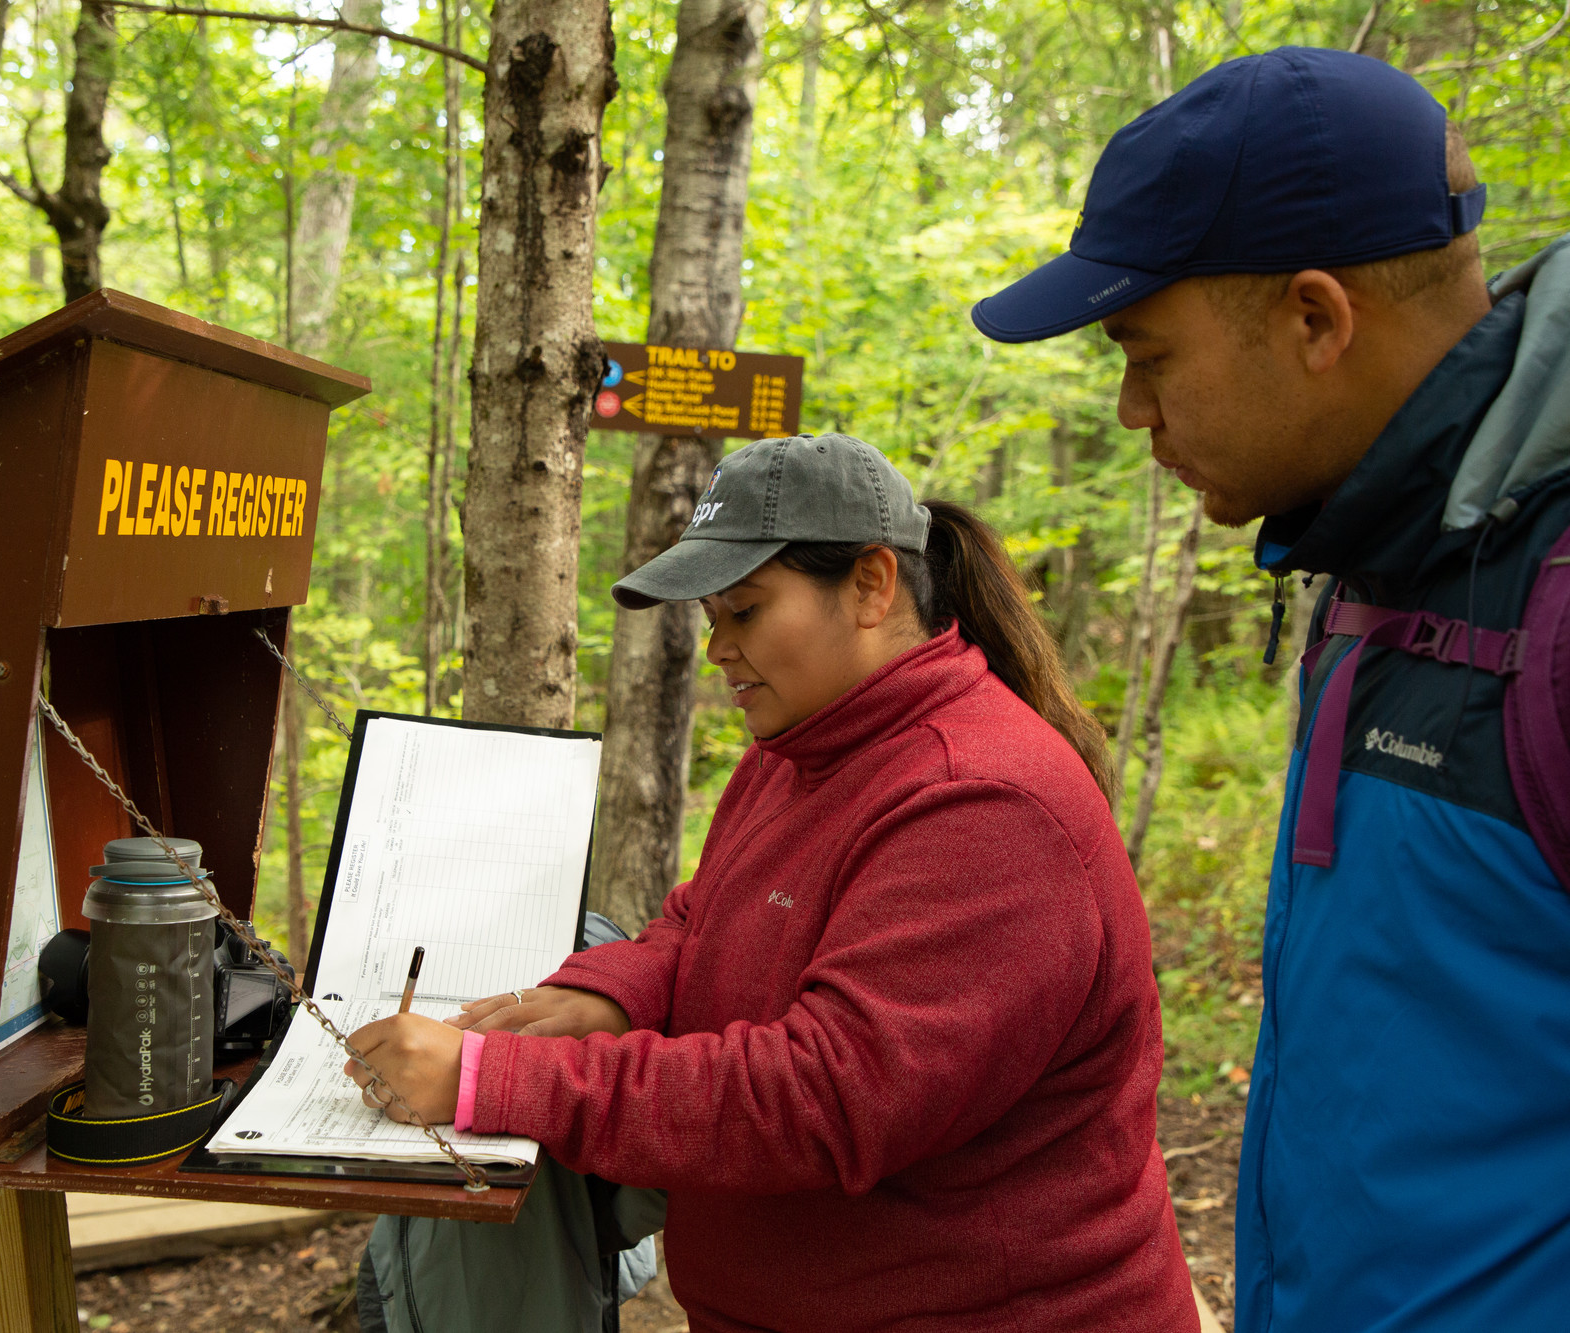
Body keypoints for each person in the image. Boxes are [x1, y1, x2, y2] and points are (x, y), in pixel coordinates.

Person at [971, 46, 1570, 1333]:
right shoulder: (1373, 560)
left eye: (1146, 352)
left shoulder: (1549, 599)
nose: (1131, 409)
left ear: (1314, 319)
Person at [345, 433, 1199, 1332]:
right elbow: (700, 917)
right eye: (713, 617)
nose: (719, 648)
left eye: (745, 612)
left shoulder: (983, 804)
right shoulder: (804, 747)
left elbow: (827, 1098)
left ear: (872, 586)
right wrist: (608, 995)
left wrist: (500, 1080)